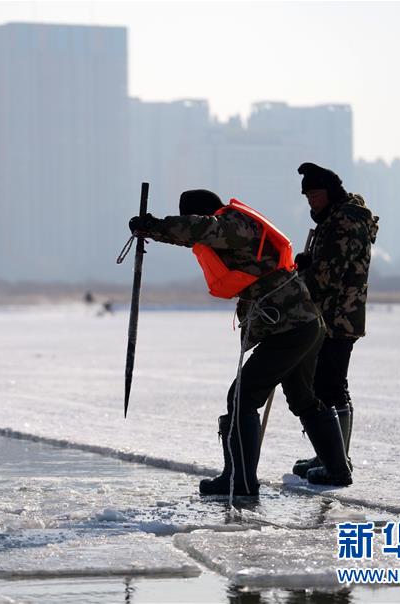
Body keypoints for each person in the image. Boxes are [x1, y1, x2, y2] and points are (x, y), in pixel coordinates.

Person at [129, 189, 352, 496]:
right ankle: (337, 471)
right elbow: (199, 232)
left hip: (289, 328)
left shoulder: (230, 224)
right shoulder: (235, 225)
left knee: (241, 398)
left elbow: (198, 228)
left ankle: (241, 481)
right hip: (304, 323)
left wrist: (152, 226)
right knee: (302, 398)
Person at [291, 163, 379, 478]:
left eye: (315, 194)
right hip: (329, 315)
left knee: (331, 385)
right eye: (307, 196)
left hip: (339, 316)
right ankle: (327, 454)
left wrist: (304, 273)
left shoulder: (344, 222)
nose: (311, 201)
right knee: (323, 385)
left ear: (330, 192)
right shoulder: (335, 219)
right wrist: (310, 262)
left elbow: (328, 276)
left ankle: (337, 461)